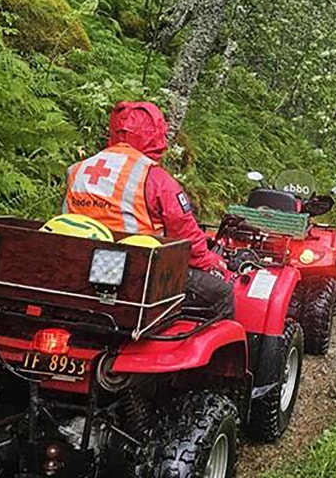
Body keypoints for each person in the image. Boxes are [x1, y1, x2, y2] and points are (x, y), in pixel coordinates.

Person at [63, 101, 234, 319]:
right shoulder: (156, 179)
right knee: (223, 292)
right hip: (136, 274)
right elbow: (186, 237)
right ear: (155, 134)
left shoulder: (78, 170)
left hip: (76, 264)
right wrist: (213, 261)